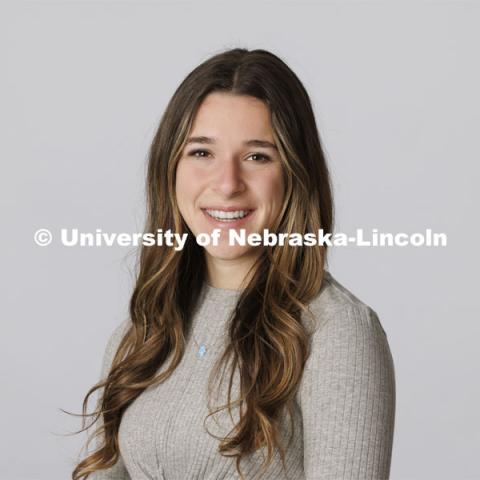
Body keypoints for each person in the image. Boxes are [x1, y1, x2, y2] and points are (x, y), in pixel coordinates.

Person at [72, 48, 395, 480]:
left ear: (296, 175)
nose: (227, 184)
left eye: (257, 156)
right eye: (202, 153)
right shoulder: (144, 331)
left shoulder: (337, 331)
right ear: (170, 167)